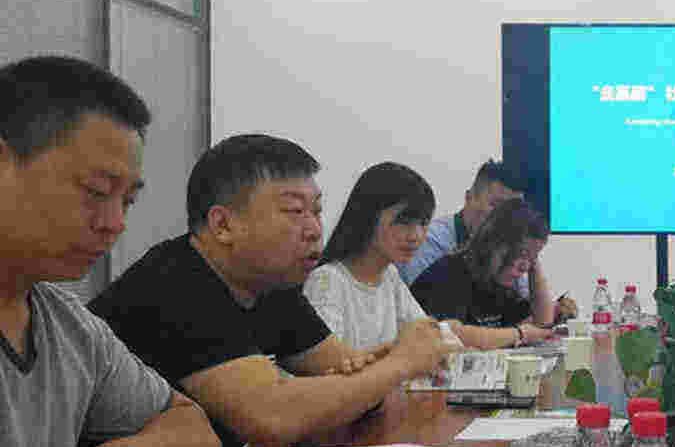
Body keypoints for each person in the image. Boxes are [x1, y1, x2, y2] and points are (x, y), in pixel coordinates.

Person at [88, 134, 455, 447]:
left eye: (317, 211)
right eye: (295, 212)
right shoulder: (176, 283)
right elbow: (273, 415)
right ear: (223, 225)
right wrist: (399, 364)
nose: (314, 229)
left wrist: (382, 365)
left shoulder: (271, 284)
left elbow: (342, 369)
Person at [0, 56, 219, 447]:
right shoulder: (176, 276)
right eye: (96, 192)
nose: (116, 223)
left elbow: (192, 426)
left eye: (128, 201)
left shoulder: (71, 328)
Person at [396, 159, 577, 322]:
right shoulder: (432, 244)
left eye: (515, 212)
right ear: (469, 198)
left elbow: (533, 316)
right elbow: (425, 318)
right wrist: (519, 333)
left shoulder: (508, 258)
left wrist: (531, 255)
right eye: (498, 206)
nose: (509, 220)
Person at [304, 162, 435, 350]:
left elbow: (428, 335)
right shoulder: (327, 281)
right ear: (367, 217)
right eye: (404, 222)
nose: (416, 236)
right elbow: (330, 362)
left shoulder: (390, 276)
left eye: (423, 223)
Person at [410, 198, 555, 349]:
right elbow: (453, 337)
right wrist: (519, 334)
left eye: (532, 258)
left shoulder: (496, 282)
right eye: (521, 253)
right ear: (494, 242)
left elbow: (542, 325)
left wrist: (533, 261)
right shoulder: (446, 276)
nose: (525, 267)